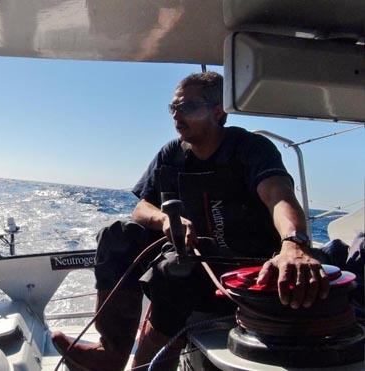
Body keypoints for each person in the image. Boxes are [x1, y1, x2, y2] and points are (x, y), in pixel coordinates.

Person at [51, 71, 330, 371]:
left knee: (172, 271)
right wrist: (164, 221)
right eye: (173, 108)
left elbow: (278, 195)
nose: (176, 116)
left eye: (186, 107)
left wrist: (294, 243)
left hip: (242, 264)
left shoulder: (250, 149)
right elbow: (141, 208)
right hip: (191, 250)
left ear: (217, 111)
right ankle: (111, 352)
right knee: (118, 234)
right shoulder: (171, 154)